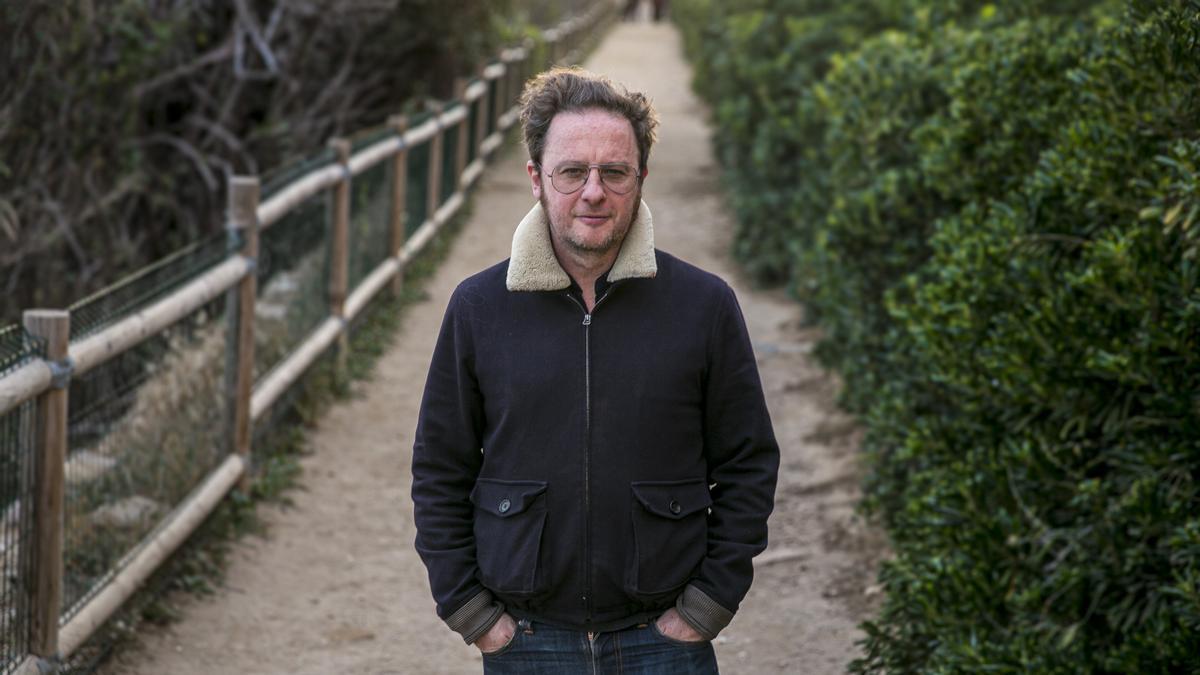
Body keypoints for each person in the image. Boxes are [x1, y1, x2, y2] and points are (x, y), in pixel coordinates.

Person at [411, 67, 779, 674]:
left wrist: (706, 607)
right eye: (571, 171)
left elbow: (749, 462)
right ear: (536, 178)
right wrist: (475, 616)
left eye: (614, 172)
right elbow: (439, 467)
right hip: (526, 640)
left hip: (663, 641)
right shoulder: (477, 308)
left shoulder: (705, 306)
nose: (593, 192)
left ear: (641, 179)